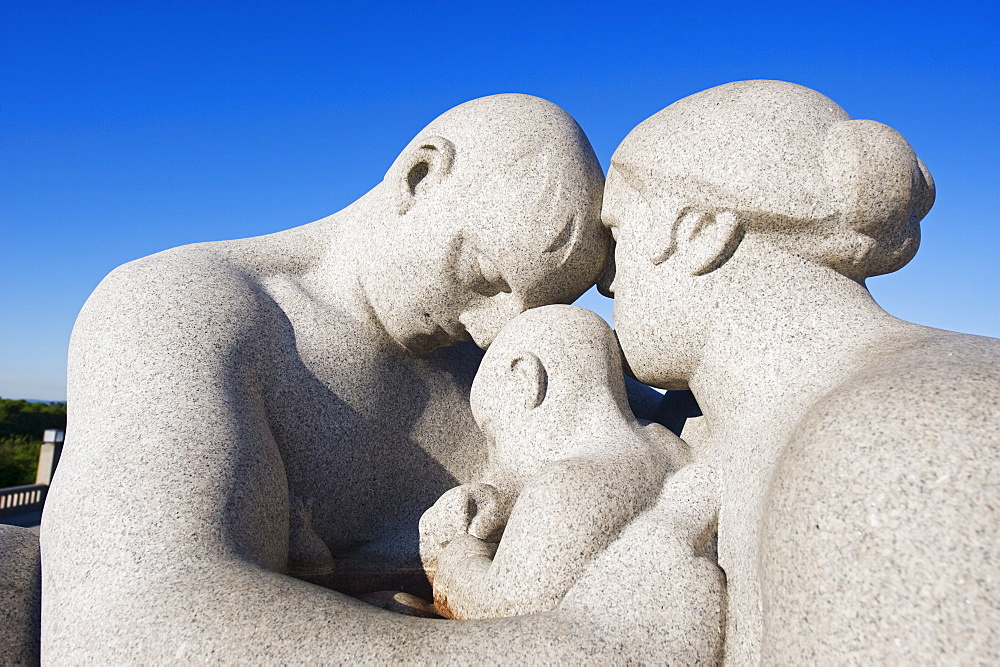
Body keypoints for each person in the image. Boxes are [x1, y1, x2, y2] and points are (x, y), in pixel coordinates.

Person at [41, 94, 618, 661]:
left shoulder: (498, 363)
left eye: (540, 308)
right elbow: (135, 625)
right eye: (486, 275)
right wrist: (588, 646)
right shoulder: (179, 308)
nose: (500, 332)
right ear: (420, 177)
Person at [599, 79, 1000, 663]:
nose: (608, 280)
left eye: (618, 235)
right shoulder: (763, 426)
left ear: (699, 233)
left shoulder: (898, 438)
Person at [419, 305, 693, 620]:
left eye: (494, 435)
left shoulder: (564, 484)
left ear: (526, 380)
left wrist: (456, 554)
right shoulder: (669, 446)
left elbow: (500, 606)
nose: (496, 461)